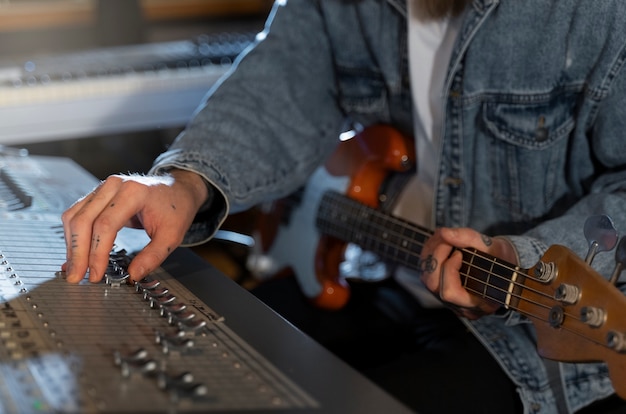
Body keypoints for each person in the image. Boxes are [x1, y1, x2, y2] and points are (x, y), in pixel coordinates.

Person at [61, 0, 626, 413]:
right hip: (370, 274)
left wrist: (520, 256)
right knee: (179, 363)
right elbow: (280, 81)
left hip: (524, 336)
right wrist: (184, 183)